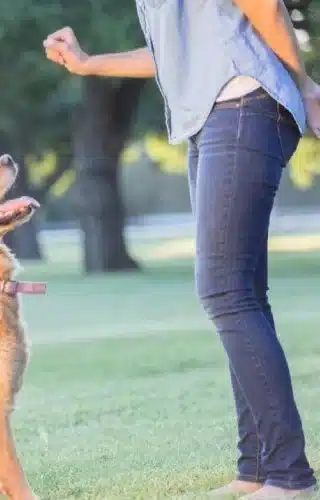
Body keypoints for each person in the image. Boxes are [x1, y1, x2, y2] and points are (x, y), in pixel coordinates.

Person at [43, 0, 320, 498]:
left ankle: (288, 475)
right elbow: (173, 55)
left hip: (244, 104)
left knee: (223, 290)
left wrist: (306, 85)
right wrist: (89, 63)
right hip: (213, 118)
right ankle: (256, 467)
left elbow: (266, 7)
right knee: (243, 293)